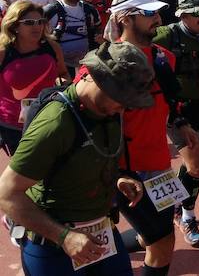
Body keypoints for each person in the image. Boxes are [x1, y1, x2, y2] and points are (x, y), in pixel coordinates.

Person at [0, 42, 153, 275]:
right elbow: (6, 193)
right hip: (54, 248)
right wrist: (64, 236)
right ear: (93, 77)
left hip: (102, 235)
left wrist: (118, 179)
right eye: (119, 97)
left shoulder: (109, 111)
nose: (123, 108)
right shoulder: (55, 123)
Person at [106, 0, 199, 275]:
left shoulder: (163, 58)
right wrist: (115, 172)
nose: (157, 19)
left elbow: (168, 102)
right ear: (124, 19)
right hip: (128, 173)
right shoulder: (106, 64)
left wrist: (181, 123)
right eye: (148, 14)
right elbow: (95, 125)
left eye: (157, 12)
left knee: (158, 238)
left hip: (161, 169)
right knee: (161, 243)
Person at [152, 0, 199, 247]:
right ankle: (187, 216)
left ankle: (176, 206)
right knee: (197, 165)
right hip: (176, 109)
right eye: (197, 13)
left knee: (195, 166)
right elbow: (130, 47)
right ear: (182, 15)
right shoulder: (165, 35)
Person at [0, 0, 68, 155]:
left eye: (40, 21)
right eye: (29, 22)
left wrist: (64, 84)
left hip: (46, 119)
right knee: (23, 169)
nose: (37, 26)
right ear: (15, 26)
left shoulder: (52, 47)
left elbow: (63, 73)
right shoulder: (3, 53)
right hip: (11, 125)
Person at [44, 0, 102, 77]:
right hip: (61, 65)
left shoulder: (90, 9)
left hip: (86, 61)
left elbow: (97, 28)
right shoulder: (51, 10)